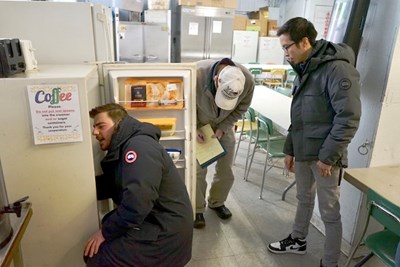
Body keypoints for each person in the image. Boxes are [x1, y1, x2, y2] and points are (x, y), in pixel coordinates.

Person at [267, 18, 361, 267]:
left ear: (305, 41)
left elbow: (348, 117)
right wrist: (290, 148)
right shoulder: (305, 67)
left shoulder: (337, 69)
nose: (285, 53)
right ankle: (298, 240)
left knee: (330, 213)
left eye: (288, 47)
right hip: (304, 151)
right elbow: (299, 115)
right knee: (304, 199)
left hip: (325, 159)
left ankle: (330, 263)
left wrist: (328, 156)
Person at [84, 103, 193, 267]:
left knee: (96, 256)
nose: (95, 132)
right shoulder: (128, 146)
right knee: (107, 223)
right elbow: (114, 184)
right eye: (94, 127)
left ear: (119, 124)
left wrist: (105, 233)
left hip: (166, 232)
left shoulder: (138, 147)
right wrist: (78, 188)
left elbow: (138, 201)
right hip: (158, 222)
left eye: (101, 126)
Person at [194, 58, 255, 228]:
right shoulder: (196, 74)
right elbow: (184, 104)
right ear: (216, 80)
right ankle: (197, 208)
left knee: (226, 168)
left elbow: (242, 107)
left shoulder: (248, 81)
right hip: (199, 123)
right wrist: (194, 128)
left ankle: (217, 202)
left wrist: (223, 127)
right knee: (198, 169)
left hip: (224, 124)